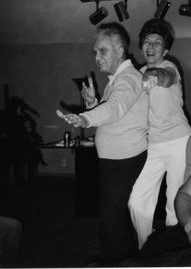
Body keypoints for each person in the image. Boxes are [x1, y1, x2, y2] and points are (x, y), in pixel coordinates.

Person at [57, 22, 149, 263]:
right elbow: (112, 115)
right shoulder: (117, 78)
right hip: (116, 159)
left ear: (120, 50)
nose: (96, 57)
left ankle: (118, 262)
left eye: (103, 51)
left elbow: (115, 108)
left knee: (112, 217)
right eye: (95, 52)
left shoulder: (128, 77)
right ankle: (113, 260)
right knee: (111, 215)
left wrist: (86, 117)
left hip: (124, 159)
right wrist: (91, 103)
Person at [128, 18, 191, 249]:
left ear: (165, 50)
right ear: (141, 46)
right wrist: (94, 102)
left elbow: (167, 78)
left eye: (157, 42)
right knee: (137, 202)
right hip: (152, 145)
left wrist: (155, 77)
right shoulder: (137, 74)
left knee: (175, 203)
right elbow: (123, 103)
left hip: (178, 142)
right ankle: (147, 247)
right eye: (147, 41)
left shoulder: (169, 67)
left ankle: (172, 251)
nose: (151, 46)